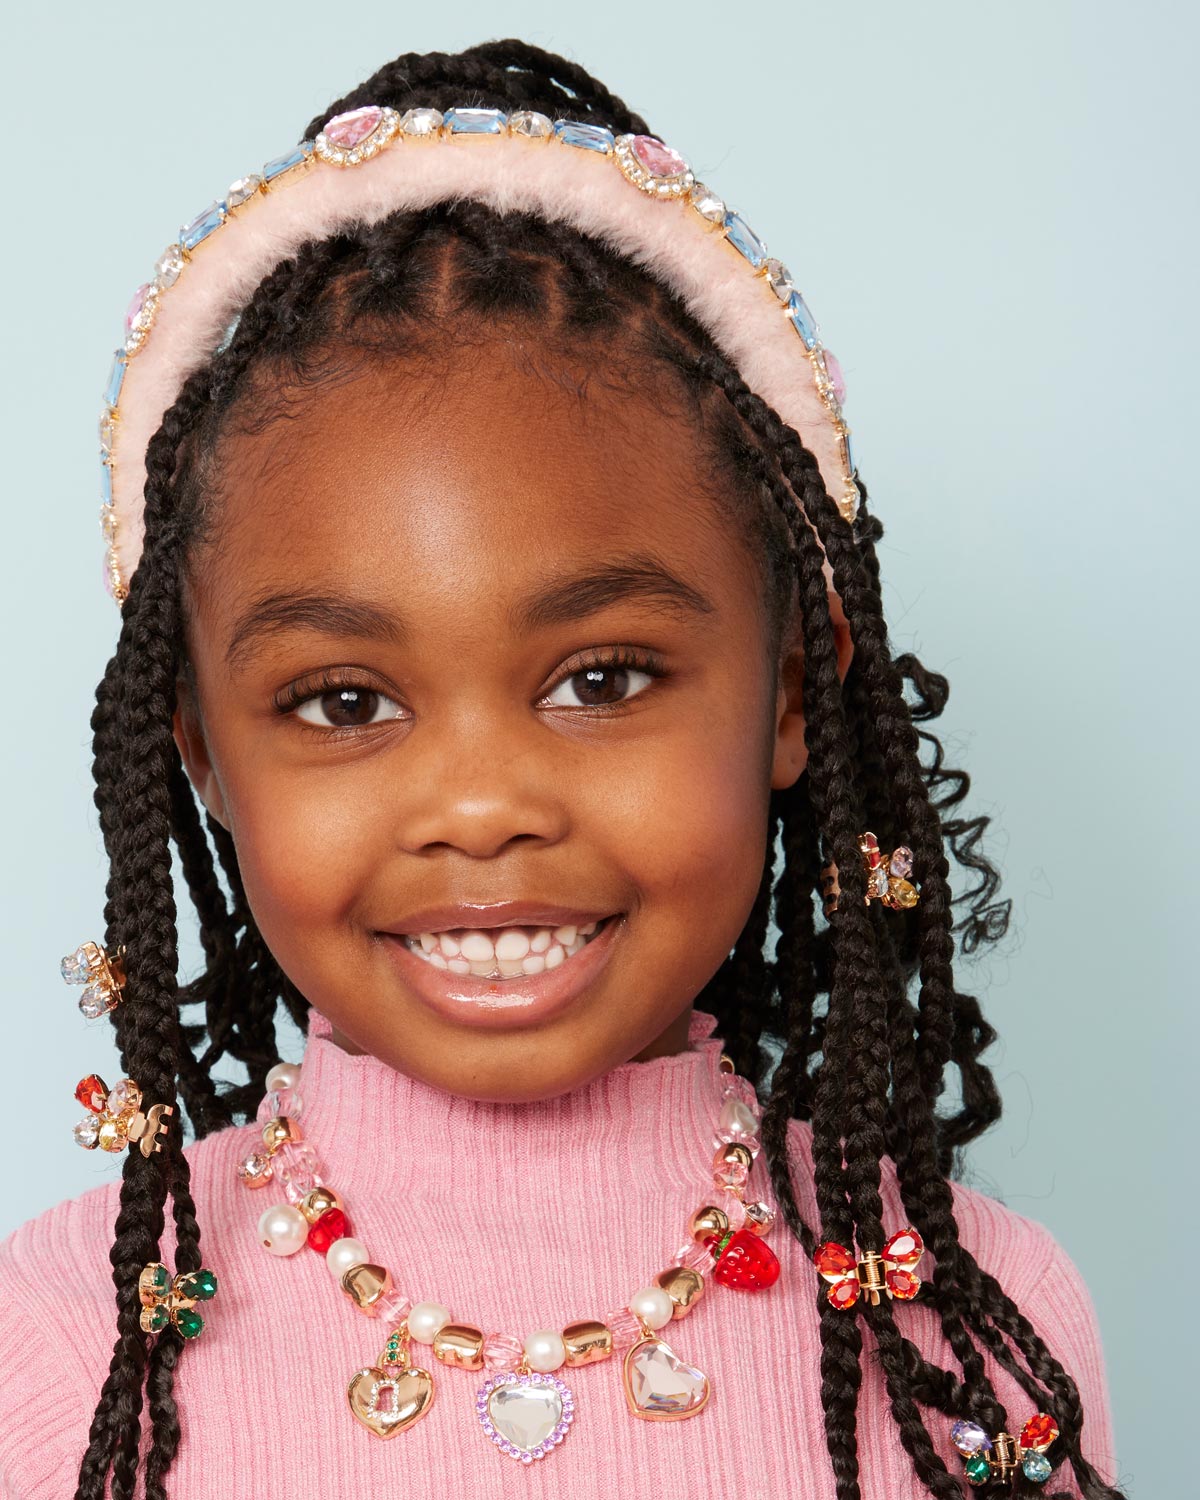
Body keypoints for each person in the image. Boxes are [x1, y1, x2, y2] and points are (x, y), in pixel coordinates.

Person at [0, 37, 1123, 1500]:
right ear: (201, 751)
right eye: (344, 701)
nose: (482, 807)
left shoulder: (973, 1335)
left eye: (602, 680)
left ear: (792, 691)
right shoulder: (60, 1338)